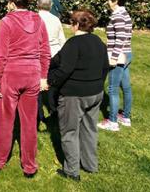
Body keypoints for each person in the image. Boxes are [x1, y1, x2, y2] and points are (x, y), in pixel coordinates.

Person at [0, 0, 50, 178]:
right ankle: (30, 166)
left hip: (12, 74)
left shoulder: (7, 21)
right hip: (32, 74)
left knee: (6, 119)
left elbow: (1, 54)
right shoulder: (38, 20)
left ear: (12, 1)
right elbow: (45, 51)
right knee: (29, 121)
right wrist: (43, 76)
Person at [48, 10, 109, 181]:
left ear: (76, 24)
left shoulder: (73, 43)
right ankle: (91, 165)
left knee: (70, 132)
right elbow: (105, 67)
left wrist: (50, 81)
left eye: (71, 23)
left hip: (74, 96)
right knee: (90, 129)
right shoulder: (99, 42)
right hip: (96, 93)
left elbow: (64, 70)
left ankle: (72, 171)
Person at [98, 0, 133, 132]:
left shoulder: (118, 16)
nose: (107, 2)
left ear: (115, 1)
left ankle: (112, 121)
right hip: (127, 53)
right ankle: (125, 117)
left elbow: (121, 38)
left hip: (118, 55)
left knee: (112, 88)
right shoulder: (125, 13)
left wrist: (113, 57)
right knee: (126, 87)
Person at [37, 0, 66, 127]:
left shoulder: (35, 19)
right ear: (51, 5)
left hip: (38, 54)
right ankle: (54, 111)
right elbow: (62, 40)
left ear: (38, 4)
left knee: (37, 86)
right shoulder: (56, 19)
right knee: (53, 85)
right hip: (54, 54)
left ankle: (39, 114)